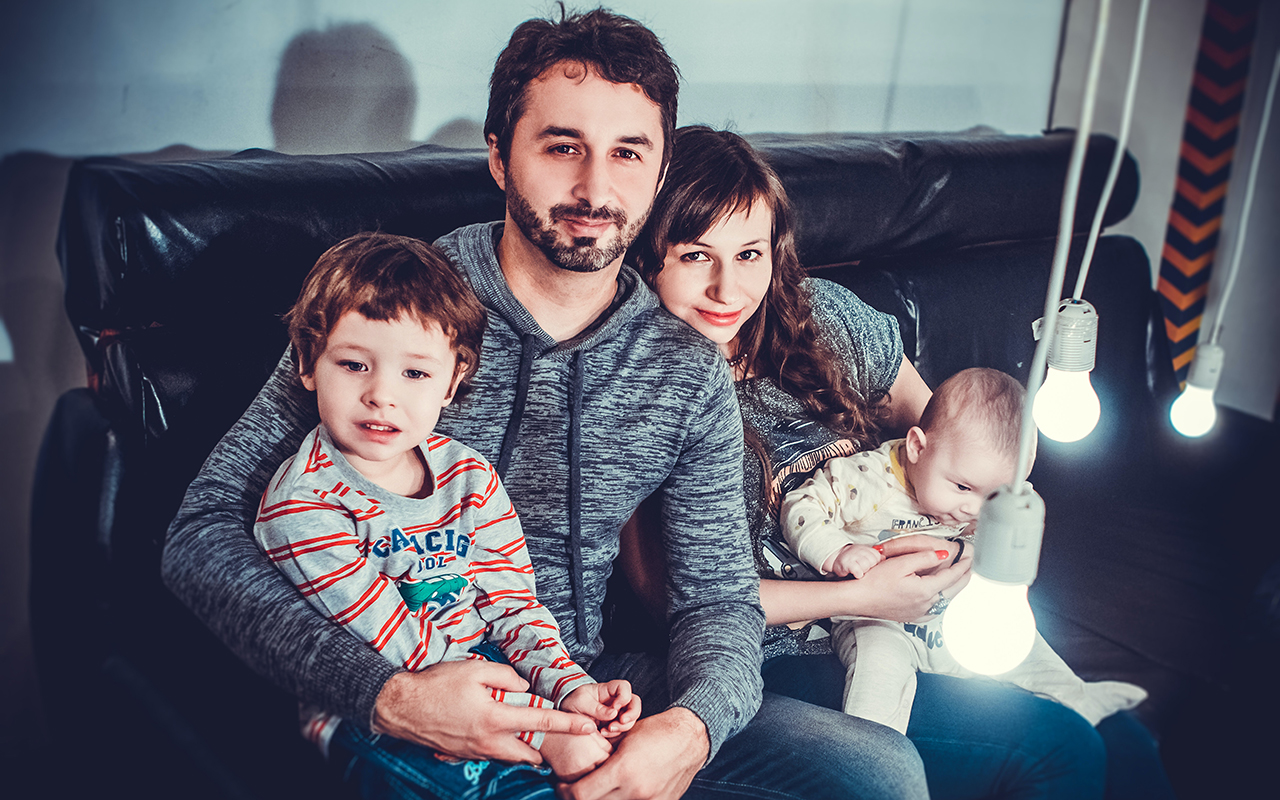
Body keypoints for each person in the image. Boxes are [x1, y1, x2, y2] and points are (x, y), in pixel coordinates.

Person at [164, 8, 927, 800]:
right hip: (401, 687)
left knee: (878, 775)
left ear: (660, 173)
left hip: (586, 685)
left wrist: (691, 728)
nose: (596, 190)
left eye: (628, 153)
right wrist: (392, 699)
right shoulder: (393, 306)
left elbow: (718, 598)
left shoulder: (683, 364)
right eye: (562, 146)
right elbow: (202, 534)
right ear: (499, 156)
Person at [628, 124, 1176, 799]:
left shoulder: (825, 319)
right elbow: (673, 603)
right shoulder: (643, 390)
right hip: (777, 655)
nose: (727, 288)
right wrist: (862, 596)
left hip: (921, 611)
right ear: (649, 257)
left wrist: (978, 534)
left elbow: (950, 435)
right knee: (1057, 747)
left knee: (1123, 739)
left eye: (749, 254)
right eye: (693, 255)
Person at [253, 232, 640, 784]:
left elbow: (512, 603)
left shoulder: (469, 476)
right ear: (308, 363)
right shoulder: (303, 504)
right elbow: (391, 641)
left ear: (452, 382)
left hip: (482, 665)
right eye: (354, 365)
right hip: (377, 703)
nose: (382, 394)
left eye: (415, 373)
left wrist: (569, 687)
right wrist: (544, 729)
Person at [782, 367, 1147, 735]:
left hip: (950, 615)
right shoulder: (868, 478)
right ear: (917, 447)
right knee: (879, 671)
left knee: (1023, 644)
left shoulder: (975, 497)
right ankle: (870, 750)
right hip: (875, 616)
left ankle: (1077, 697)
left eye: (990, 496)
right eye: (961, 487)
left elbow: (985, 541)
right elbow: (801, 506)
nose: (973, 508)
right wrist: (837, 550)